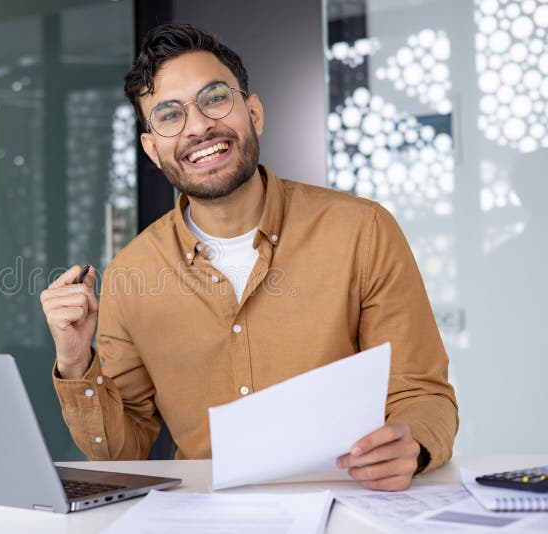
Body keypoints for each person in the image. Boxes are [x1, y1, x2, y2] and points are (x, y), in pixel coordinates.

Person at [40, 23, 458, 491]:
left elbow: (421, 393)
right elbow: (125, 452)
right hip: (205, 519)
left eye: (214, 98)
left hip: (347, 507)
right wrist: (77, 364)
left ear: (253, 112)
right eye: (169, 115)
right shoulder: (130, 275)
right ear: (152, 150)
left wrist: (413, 443)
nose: (198, 126)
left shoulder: (363, 231)